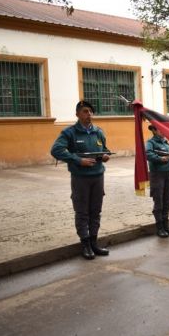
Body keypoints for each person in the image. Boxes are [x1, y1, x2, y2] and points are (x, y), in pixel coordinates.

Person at [50, 100, 110, 260]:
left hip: (98, 177)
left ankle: (94, 243)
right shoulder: (69, 133)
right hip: (81, 178)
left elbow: (105, 149)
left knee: (95, 211)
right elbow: (56, 150)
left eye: (90, 111)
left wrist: (105, 156)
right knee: (82, 211)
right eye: (85, 111)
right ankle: (85, 244)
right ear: (77, 114)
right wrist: (77, 160)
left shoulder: (98, 132)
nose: (88, 114)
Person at [146, 124, 169, 238]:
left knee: (167, 201)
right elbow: (147, 153)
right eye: (160, 129)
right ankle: (159, 228)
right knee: (158, 202)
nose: (163, 132)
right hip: (157, 175)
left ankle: (166, 226)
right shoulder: (151, 142)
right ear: (154, 130)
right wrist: (160, 159)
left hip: (168, 174)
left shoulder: (166, 143)